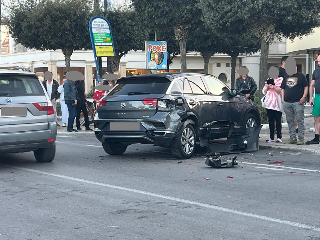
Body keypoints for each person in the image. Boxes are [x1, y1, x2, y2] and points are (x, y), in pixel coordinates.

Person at [280, 56, 308, 145]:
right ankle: (292, 137)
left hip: (298, 102)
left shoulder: (301, 76)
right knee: (290, 120)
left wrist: (304, 97)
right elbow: (282, 88)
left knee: (300, 120)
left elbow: (306, 86)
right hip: (287, 102)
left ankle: (300, 138)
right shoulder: (286, 76)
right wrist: (282, 99)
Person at [262, 67, 283, 143]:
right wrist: (267, 87)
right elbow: (263, 91)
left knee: (278, 120)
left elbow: (281, 91)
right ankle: (271, 137)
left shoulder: (281, 80)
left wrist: (274, 87)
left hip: (277, 103)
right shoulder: (268, 80)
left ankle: (279, 137)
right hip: (269, 103)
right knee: (270, 121)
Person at [306, 55, 320, 145]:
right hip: (318, 96)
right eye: (318, 62)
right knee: (316, 117)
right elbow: (312, 85)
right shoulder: (316, 71)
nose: (318, 63)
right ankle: (316, 137)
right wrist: (311, 97)